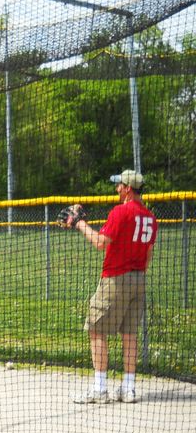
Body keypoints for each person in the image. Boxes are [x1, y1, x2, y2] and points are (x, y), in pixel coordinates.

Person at [67, 169, 157, 404]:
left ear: (127, 188)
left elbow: (100, 242)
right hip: (139, 279)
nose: (117, 189)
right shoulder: (150, 217)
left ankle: (99, 389)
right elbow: (148, 254)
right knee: (129, 334)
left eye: (119, 185)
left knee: (96, 329)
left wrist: (79, 223)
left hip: (116, 279)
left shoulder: (120, 211)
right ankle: (128, 389)